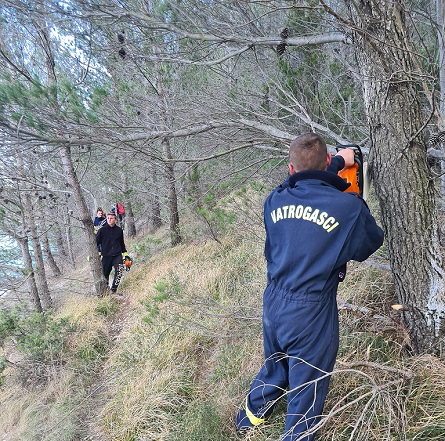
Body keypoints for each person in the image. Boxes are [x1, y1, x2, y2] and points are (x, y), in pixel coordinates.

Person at [235, 133, 384, 441]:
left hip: (273, 303)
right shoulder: (348, 208)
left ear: (290, 169)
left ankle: (246, 422)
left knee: (276, 366)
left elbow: (306, 187)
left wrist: (338, 165)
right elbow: (370, 242)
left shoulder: (275, 199)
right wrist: (352, 195)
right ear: (327, 161)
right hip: (311, 311)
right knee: (307, 389)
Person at [95, 212, 132, 294]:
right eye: (108, 218)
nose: (109, 220)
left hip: (117, 255)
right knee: (105, 275)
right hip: (106, 256)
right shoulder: (102, 230)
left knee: (119, 272)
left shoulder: (119, 230)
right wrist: (96, 254)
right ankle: (106, 291)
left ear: (115, 219)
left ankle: (113, 290)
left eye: (111, 218)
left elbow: (122, 243)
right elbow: (95, 243)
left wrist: (125, 254)